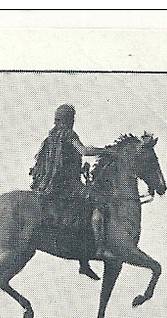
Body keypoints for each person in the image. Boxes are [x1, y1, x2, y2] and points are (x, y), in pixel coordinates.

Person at [30, 104, 106, 280]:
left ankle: (84, 262)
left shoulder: (50, 137)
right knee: (99, 202)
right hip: (68, 186)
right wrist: (106, 151)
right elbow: (84, 151)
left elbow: (56, 164)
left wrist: (79, 170)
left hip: (50, 185)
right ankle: (100, 248)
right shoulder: (69, 135)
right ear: (70, 119)